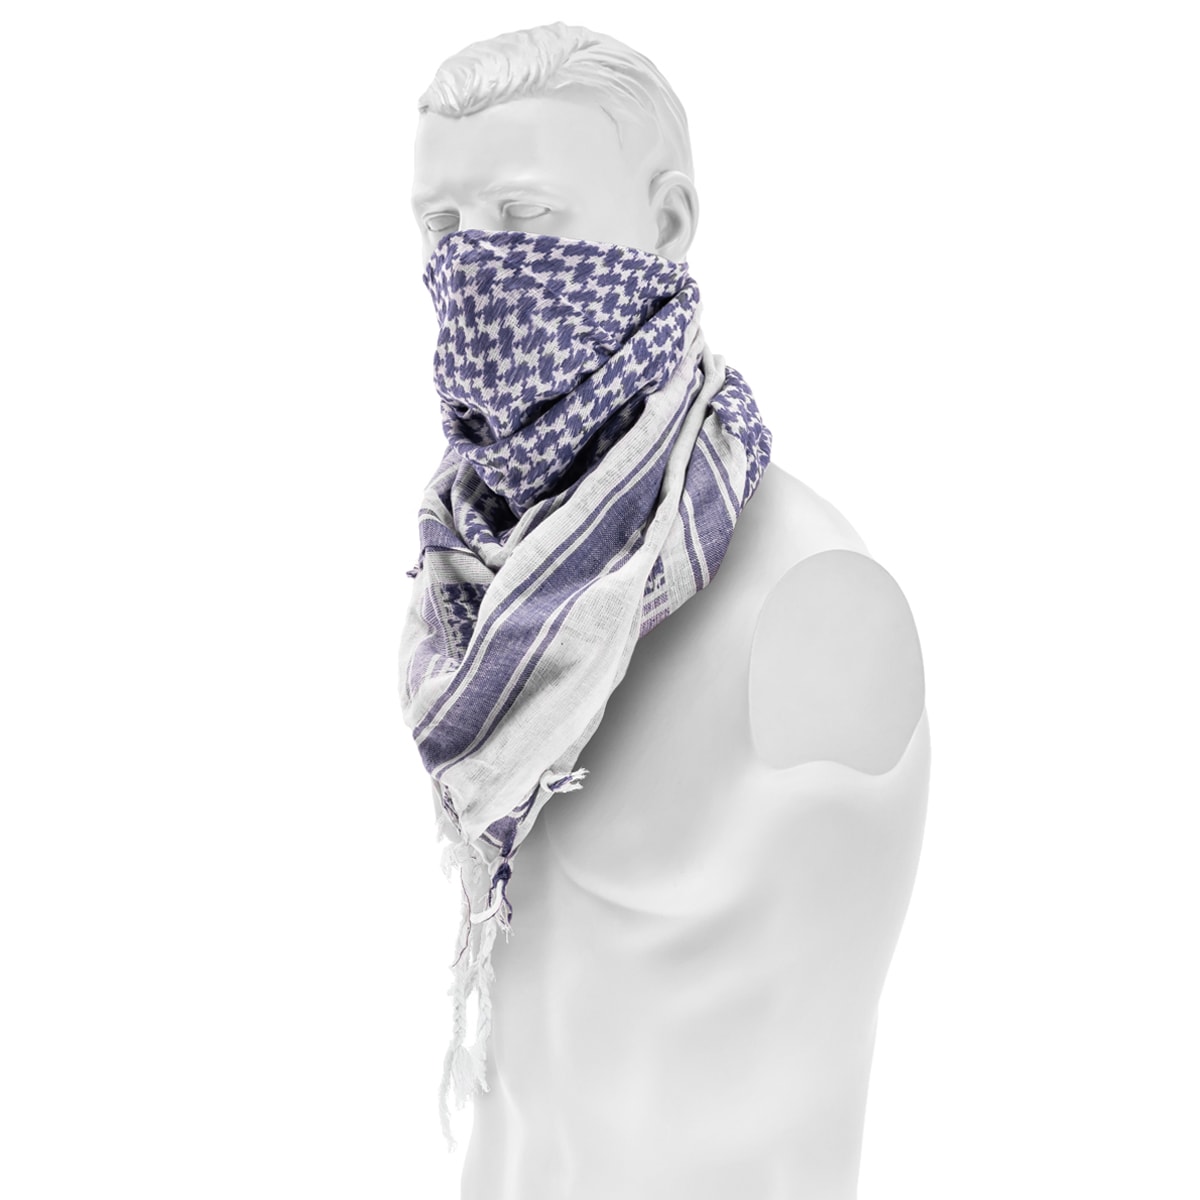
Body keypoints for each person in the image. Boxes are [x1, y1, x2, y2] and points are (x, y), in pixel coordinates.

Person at [405, 21, 930, 1199]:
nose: (474, 272)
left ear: (670, 222)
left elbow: (792, 1057)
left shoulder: (806, 597)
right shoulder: (494, 597)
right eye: (441, 228)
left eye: (524, 218)